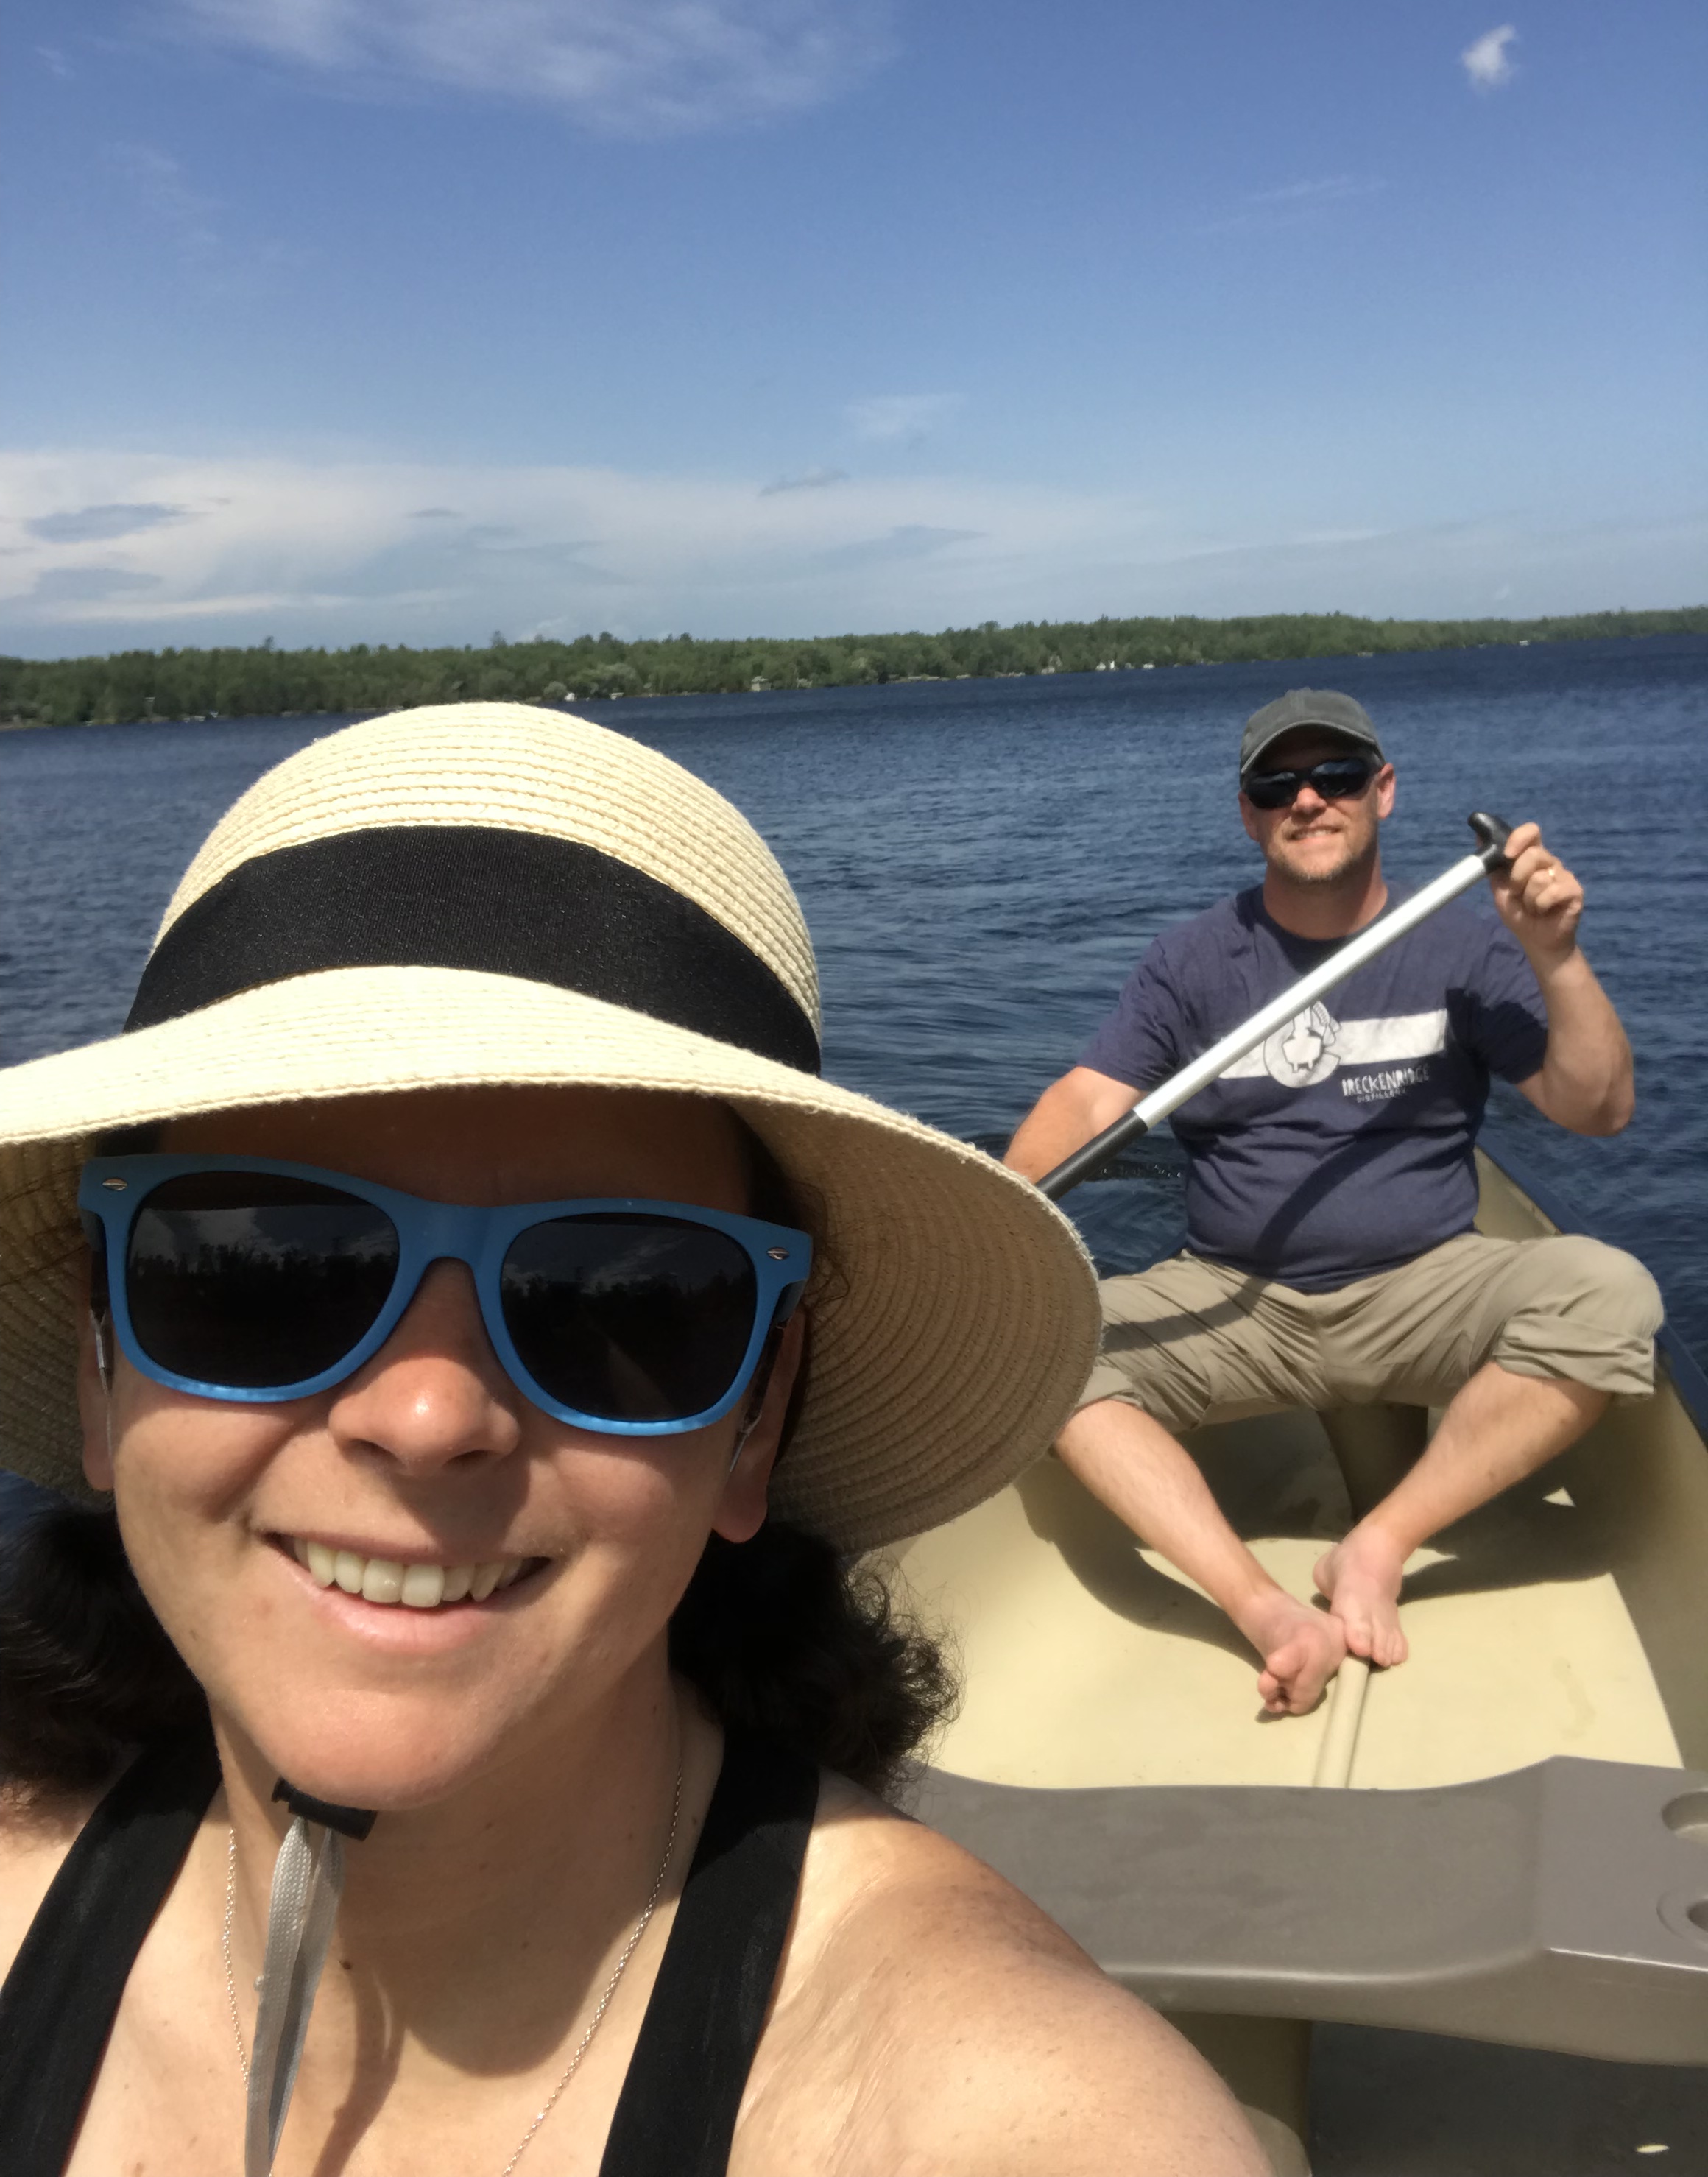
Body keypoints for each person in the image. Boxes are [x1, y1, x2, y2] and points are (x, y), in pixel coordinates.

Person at [0, 704, 1262, 2177]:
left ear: (755, 1417)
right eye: (259, 1275)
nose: (427, 1418)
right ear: (100, 1363)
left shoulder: (996, 2111)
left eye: (619, 1298)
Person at [1006, 688, 1662, 1717]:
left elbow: (1600, 1107)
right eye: (1277, 785)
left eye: (1337, 776)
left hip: (1428, 1288)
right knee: (1041, 1351)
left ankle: (1378, 1546)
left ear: (1383, 791)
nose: (1308, 799)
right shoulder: (1191, 962)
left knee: (1610, 1294)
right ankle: (1264, 1608)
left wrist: (1556, 955)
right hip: (1238, 1298)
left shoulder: (1460, 944)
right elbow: (1089, 1102)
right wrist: (999, 1229)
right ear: (1249, 814)